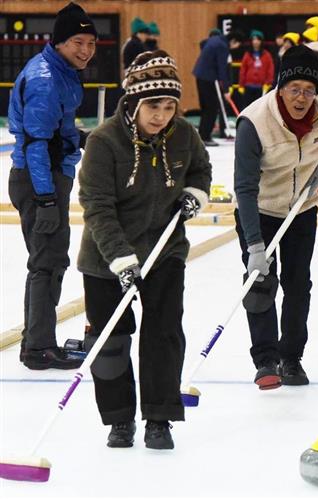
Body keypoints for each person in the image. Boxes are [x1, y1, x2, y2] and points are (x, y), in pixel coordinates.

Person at [78, 50, 212, 450]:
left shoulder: (184, 134)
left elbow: (201, 170)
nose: (162, 115)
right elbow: (97, 206)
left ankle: (159, 417)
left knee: (164, 334)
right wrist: (120, 258)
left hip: (164, 250)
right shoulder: (103, 142)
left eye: (170, 105)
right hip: (106, 255)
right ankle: (119, 420)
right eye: (154, 105)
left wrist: (194, 194)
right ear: (134, 103)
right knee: (111, 341)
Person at [234, 45, 318, 390]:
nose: (302, 97)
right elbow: (245, 188)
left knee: (298, 285)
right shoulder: (254, 122)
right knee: (261, 284)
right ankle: (265, 361)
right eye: (295, 89)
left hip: (301, 210)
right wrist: (254, 245)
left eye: (310, 90)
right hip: (259, 209)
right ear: (280, 87)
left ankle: (291, 358)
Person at [8, 2, 97, 370]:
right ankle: (38, 347)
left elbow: (57, 131)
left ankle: (38, 340)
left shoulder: (62, 72)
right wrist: (45, 198)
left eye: (91, 43)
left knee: (51, 260)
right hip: (37, 181)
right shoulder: (45, 78)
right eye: (78, 41)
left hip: (47, 177)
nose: (86, 50)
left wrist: (82, 137)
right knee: (46, 263)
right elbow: (35, 143)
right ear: (59, 42)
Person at [192, 29, 242, 146]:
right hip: (209, 78)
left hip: (200, 76)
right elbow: (222, 69)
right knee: (212, 108)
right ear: (233, 40)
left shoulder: (215, 40)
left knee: (206, 108)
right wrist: (225, 90)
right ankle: (205, 137)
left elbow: (203, 43)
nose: (236, 47)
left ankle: (203, 135)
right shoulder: (222, 46)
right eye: (237, 44)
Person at [238, 30, 275, 109]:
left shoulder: (267, 55)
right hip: (248, 87)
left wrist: (268, 83)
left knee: (258, 109)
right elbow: (243, 70)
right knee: (247, 109)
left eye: (258, 39)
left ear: (261, 41)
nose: (255, 42)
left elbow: (270, 70)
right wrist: (241, 85)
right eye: (253, 39)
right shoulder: (247, 54)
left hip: (260, 87)